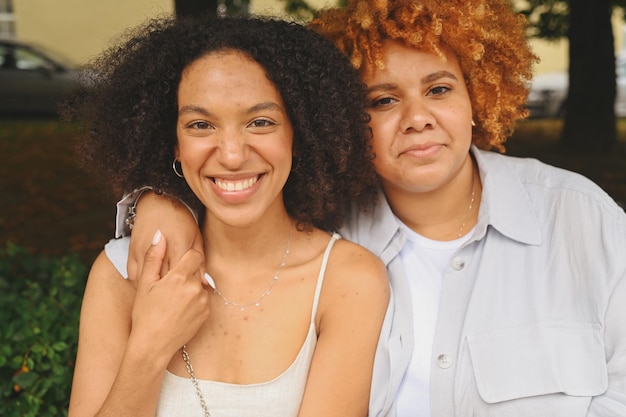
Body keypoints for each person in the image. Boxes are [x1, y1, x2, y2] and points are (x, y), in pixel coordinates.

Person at [117, 0, 626, 416]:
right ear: (340, 119)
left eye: (440, 89)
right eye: (382, 101)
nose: (417, 118)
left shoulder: (582, 221)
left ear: (480, 95)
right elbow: (235, 185)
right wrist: (162, 202)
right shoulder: (322, 223)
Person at [63, 15, 390, 417]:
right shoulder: (118, 275)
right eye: (201, 125)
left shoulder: (349, 281)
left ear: (299, 134)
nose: (232, 155)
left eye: (260, 122)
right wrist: (150, 346)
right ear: (174, 144)